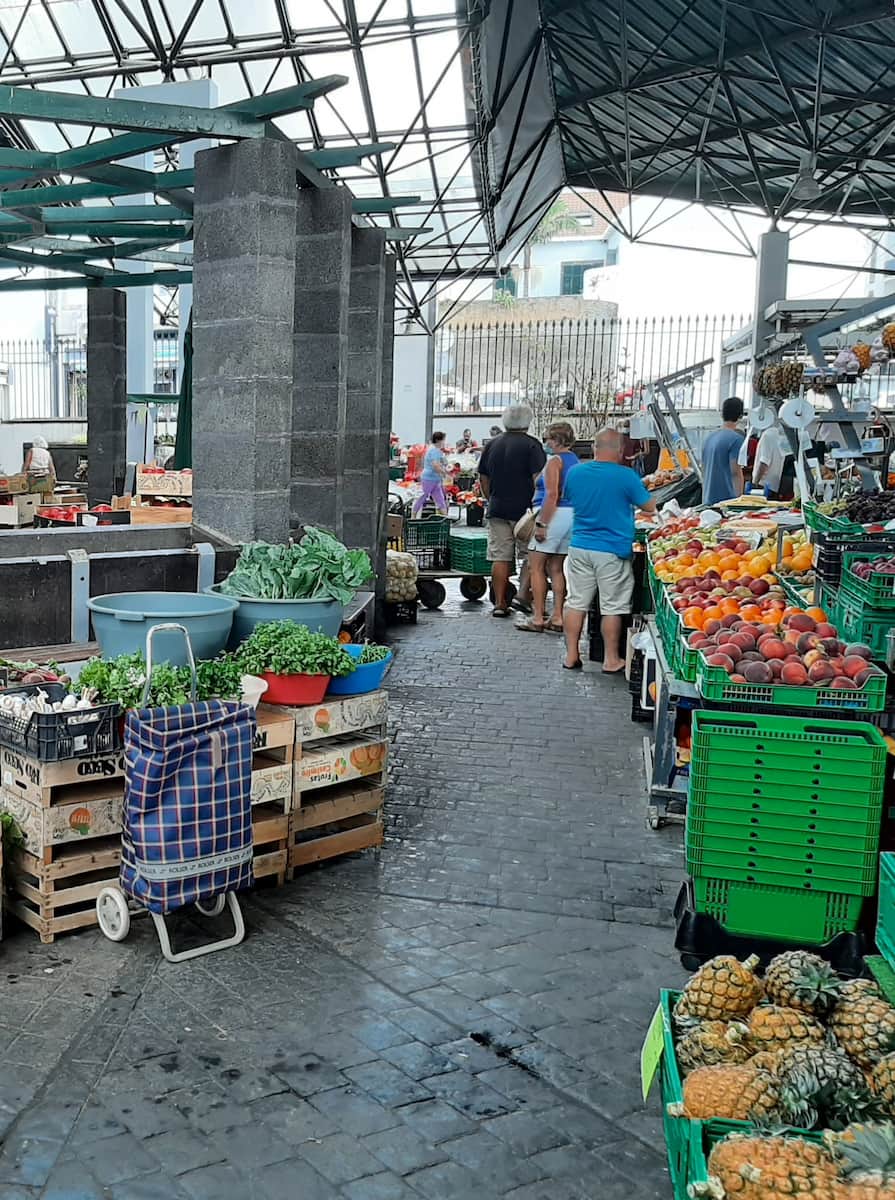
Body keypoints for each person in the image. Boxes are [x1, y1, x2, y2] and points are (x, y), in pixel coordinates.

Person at [562, 428, 656, 672]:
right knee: (612, 607)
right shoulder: (625, 476)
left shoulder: (575, 472)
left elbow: (571, 497)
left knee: (576, 602)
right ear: (620, 450)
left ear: (594, 447)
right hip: (612, 551)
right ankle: (611, 659)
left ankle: (571, 655)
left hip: (580, 546)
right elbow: (649, 506)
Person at [477, 404, 546, 618]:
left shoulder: (492, 445)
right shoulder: (533, 446)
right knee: (530, 555)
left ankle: (499, 603)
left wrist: (491, 499)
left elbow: (483, 479)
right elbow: (539, 480)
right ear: (528, 422)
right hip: (526, 512)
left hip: (498, 508)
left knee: (500, 557)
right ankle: (522, 596)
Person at [516, 422, 579, 634]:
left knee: (536, 566)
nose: (546, 443)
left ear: (556, 440)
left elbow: (552, 495)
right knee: (556, 568)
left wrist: (542, 524)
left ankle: (538, 617)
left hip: (554, 515)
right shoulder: (575, 461)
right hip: (571, 516)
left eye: (547, 439)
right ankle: (558, 616)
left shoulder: (555, 461)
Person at [701, 396, 745, 506]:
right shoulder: (737, 439)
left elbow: (703, 470)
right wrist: (739, 502)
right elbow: (735, 472)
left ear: (722, 414)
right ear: (740, 415)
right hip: (726, 503)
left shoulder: (709, 438)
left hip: (707, 500)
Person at [752, 423, 796, 501]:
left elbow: (764, 462)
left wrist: (755, 483)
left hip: (763, 485)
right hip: (775, 485)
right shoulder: (783, 434)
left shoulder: (767, 435)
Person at [412, 431, 450, 516]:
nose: (444, 442)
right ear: (438, 440)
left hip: (436, 479)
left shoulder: (437, 451)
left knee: (440, 498)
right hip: (429, 478)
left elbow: (442, 462)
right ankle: (414, 514)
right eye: (443, 440)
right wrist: (445, 473)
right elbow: (435, 465)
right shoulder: (434, 450)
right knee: (423, 496)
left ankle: (445, 517)